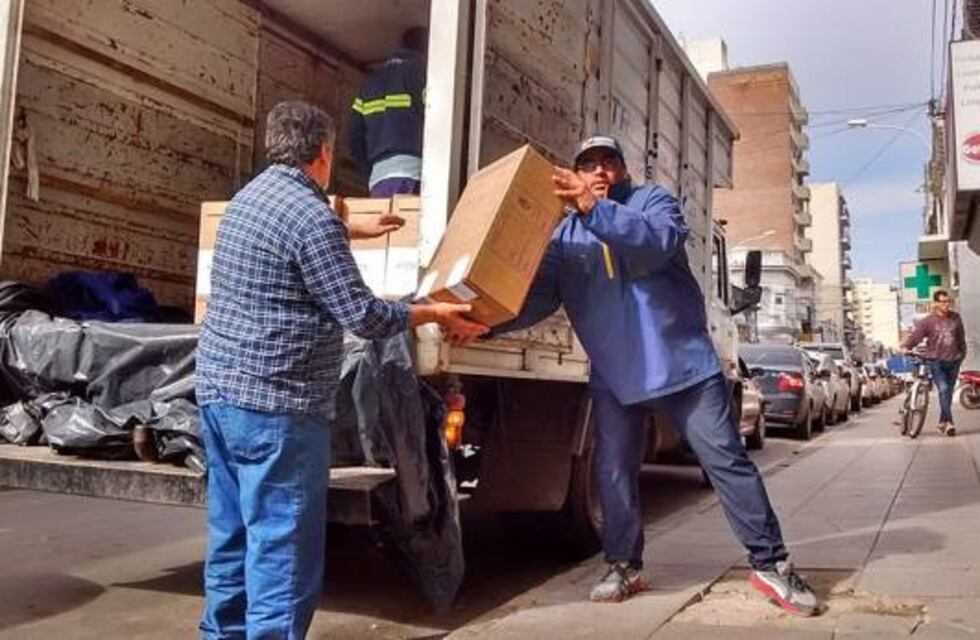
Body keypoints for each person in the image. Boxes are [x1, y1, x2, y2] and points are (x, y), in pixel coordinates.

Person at [195, 101, 487, 639]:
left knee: (232, 539)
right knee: (282, 552)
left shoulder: (247, 200)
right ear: (324, 152)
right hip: (277, 407)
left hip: (219, 398)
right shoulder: (311, 220)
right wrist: (431, 310)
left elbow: (290, 242)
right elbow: (364, 315)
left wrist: (350, 228)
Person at [493, 135, 819, 615]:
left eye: (608, 163)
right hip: (615, 373)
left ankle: (772, 563)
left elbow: (655, 243)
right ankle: (624, 564)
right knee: (613, 471)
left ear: (623, 171)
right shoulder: (564, 238)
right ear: (577, 173)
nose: (599, 172)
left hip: (683, 366)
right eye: (588, 165)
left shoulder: (653, 203)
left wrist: (591, 209)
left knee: (726, 462)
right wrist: (482, 321)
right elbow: (539, 297)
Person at [349, 27, 427, 197]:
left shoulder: (369, 84)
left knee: (385, 223)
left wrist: (368, 171)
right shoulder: (423, 74)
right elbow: (439, 121)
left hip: (378, 180)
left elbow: (354, 137)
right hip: (412, 175)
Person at [899, 289, 967, 436]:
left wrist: (962, 355)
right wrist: (906, 346)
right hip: (936, 361)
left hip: (954, 361)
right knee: (942, 389)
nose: (946, 305)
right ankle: (949, 422)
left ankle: (943, 423)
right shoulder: (928, 321)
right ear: (936, 303)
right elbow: (916, 336)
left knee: (947, 394)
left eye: (948, 301)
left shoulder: (956, 318)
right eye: (943, 302)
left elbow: (961, 338)